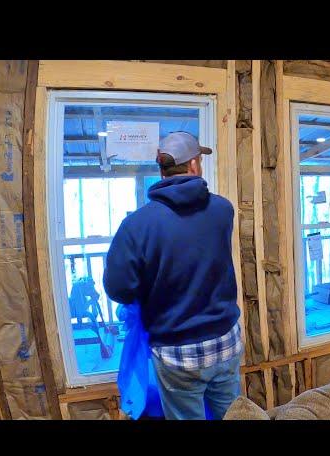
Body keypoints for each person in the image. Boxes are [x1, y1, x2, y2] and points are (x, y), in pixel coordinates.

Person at [103, 131, 242, 420]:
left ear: (162, 169)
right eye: (200, 160)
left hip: (176, 353)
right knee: (232, 415)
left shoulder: (136, 225)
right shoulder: (222, 209)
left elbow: (119, 290)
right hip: (224, 340)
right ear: (193, 165)